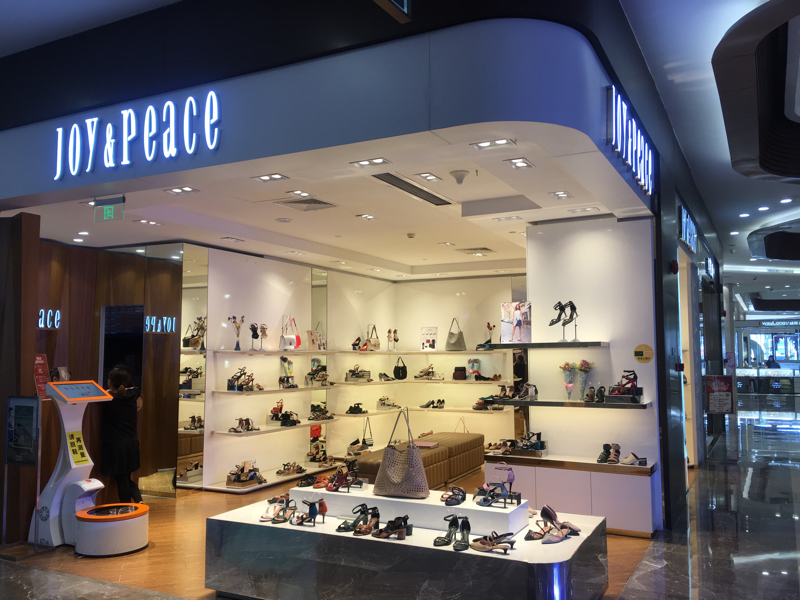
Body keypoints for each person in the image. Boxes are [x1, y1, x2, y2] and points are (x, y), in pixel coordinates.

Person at [102, 366, 143, 504]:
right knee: (125, 477)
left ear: (110, 382)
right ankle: (139, 501)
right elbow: (135, 389)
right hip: (131, 443)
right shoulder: (132, 396)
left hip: (116, 444)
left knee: (121, 479)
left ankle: (126, 508)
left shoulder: (109, 400)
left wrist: (108, 391)